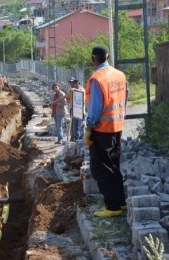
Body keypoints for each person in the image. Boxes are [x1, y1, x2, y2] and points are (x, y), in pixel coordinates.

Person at [84, 45, 128, 218]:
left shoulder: (97, 79)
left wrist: (89, 128)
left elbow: (95, 107)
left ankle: (112, 206)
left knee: (100, 168)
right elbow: (125, 97)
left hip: (102, 129)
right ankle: (121, 201)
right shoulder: (120, 75)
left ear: (93, 59)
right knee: (114, 165)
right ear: (107, 56)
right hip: (117, 126)